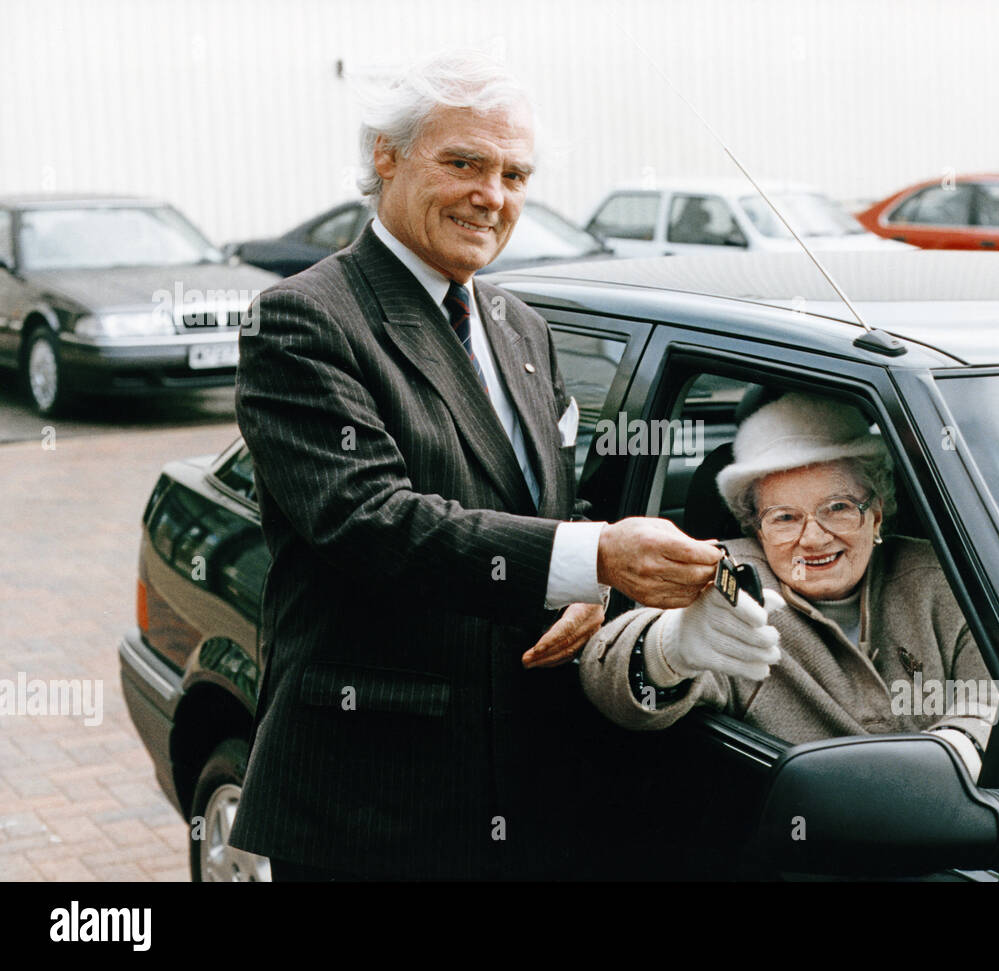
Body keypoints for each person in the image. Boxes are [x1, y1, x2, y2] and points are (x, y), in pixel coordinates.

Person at [229, 51, 722, 880]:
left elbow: (554, 501)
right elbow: (370, 521)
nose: (491, 195)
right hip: (375, 805)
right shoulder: (304, 319)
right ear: (386, 155)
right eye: (464, 162)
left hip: (526, 794)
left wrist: (591, 589)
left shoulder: (518, 324)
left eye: (514, 174)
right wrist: (591, 557)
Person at [580, 393, 998, 780]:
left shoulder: (939, 577)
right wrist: (669, 647)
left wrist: (959, 745)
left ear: (877, 514)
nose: (813, 538)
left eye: (838, 508)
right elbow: (608, 681)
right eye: (784, 518)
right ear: (756, 529)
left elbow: (990, 691)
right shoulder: (728, 583)